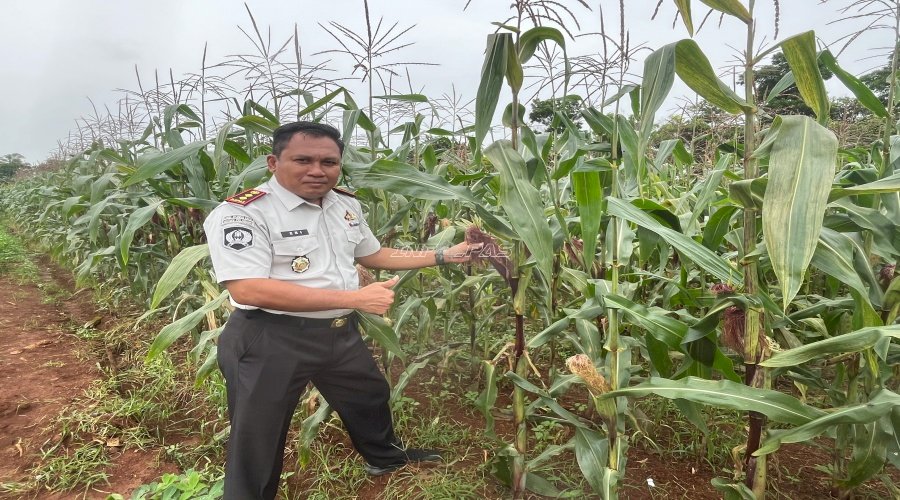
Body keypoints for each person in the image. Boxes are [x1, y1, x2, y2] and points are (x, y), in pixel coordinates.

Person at [203, 121, 482, 500]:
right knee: (259, 434)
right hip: (269, 337)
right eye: (303, 160)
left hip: (336, 331)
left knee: (369, 394)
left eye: (329, 162)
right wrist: (355, 299)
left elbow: (372, 254)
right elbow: (248, 288)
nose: (317, 170)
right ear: (273, 162)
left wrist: (443, 255)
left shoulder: (344, 204)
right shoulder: (244, 213)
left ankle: (384, 458)